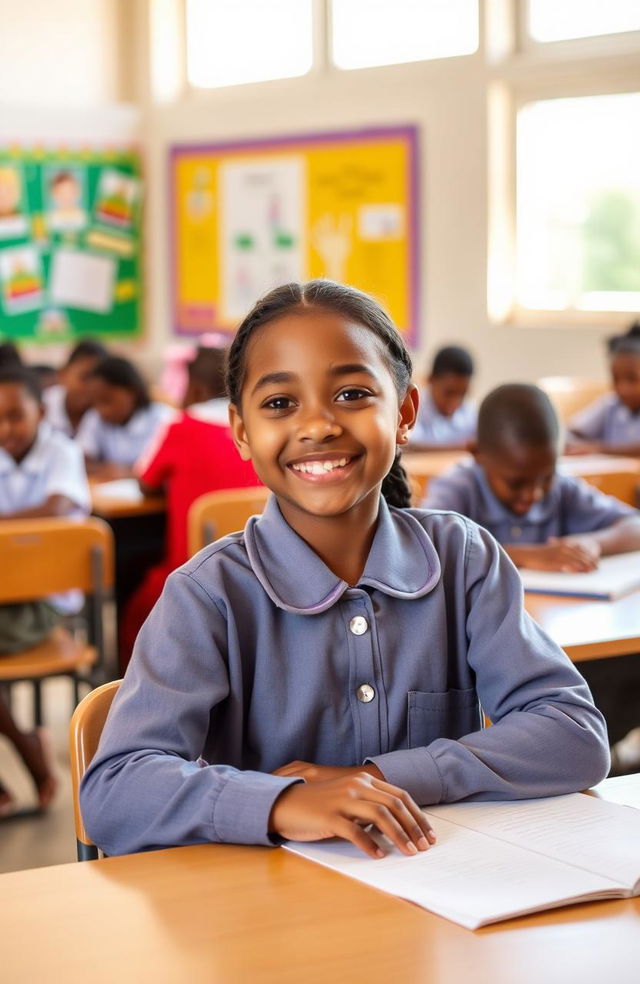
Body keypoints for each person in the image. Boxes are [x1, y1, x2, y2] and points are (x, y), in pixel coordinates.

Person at [80, 280, 608, 859]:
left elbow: (573, 734)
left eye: (352, 394)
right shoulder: (210, 595)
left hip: (439, 902)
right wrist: (280, 802)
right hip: (263, 916)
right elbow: (115, 791)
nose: (319, 425)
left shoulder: (463, 559)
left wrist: (386, 776)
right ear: (241, 432)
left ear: (405, 411)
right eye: (280, 403)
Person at [117, 347, 262, 670]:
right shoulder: (256, 423)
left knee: (133, 601)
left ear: (193, 388)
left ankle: (125, 685)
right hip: (260, 571)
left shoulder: (181, 426)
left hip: (191, 572)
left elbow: (146, 483)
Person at [424, 383, 640, 572]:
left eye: (546, 478)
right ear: (478, 454)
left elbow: (635, 526)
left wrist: (593, 543)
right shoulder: (457, 488)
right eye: (515, 483)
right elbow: (427, 550)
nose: (533, 494)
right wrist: (529, 556)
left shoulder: (563, 488)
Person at [0, 365, 91, 813]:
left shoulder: (62, 452)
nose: (5, 428)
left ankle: (24, 757)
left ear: (40, 411)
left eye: (15, 416)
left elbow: (56, 507)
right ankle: (25, 747)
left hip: (45, 603)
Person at [77, 355, 175, 478]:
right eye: (94, 402)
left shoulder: (164, 419)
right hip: (108, 495)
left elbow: (170, 469)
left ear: (132, 391)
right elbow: (80, 460)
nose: (101, 410)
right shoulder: (95, 418)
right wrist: (104, 469)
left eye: (106, 400)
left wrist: (129, 472)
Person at [566, 321, 640, 457]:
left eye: (632, 379)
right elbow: (574, 431)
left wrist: (600, 449)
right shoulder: (612, 405)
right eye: (616, 379)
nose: (622, 388)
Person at [406, 345, 476, 451]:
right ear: (431, 380)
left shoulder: (469, 411)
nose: (455, 401)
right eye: (449, 393)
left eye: (463, 394)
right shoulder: (411, 406)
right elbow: (408, 444)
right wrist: (465, 447)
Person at [43, 338, 108, 437]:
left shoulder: (107, 414)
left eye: (99, 382)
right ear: (63, 374)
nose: (91, 388)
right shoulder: (42, 406)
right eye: (85, 377)